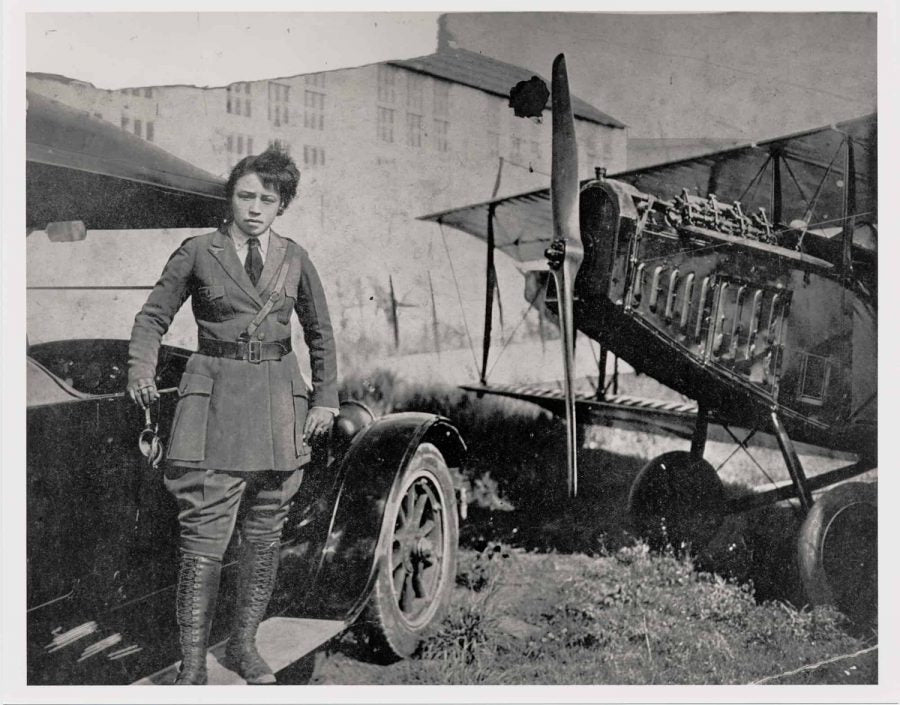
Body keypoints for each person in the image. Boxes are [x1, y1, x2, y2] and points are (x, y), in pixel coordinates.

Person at [127, 147, 339, 685]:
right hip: (213, 405)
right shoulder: (199, 251)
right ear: (230, 198)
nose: (255, 209)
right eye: (246, 196)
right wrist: (140, 372)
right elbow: (152, 317)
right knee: (203, 539)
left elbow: (320, 336)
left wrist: (326, 399)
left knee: (265, 533)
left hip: (277, 409)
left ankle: (245, 647)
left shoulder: (294, 259)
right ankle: (193, 666)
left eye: (268, 199)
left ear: (282, 206)